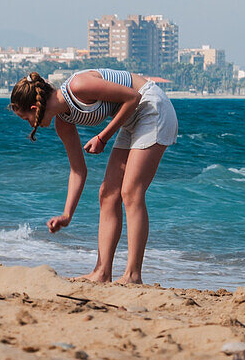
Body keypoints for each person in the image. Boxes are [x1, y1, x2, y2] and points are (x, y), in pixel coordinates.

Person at [9, 68, 178, 284]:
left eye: (27, 118)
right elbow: (78, 170)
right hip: (130, 118)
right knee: (107, 194)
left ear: (35, 108)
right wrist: (66, 215)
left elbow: (133, 97)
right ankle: (102, 272)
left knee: (131, 191)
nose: (30, 124)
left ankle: (133, 275)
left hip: (152, 106)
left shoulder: (78, 86)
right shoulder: (63, 121)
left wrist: (103, 137)